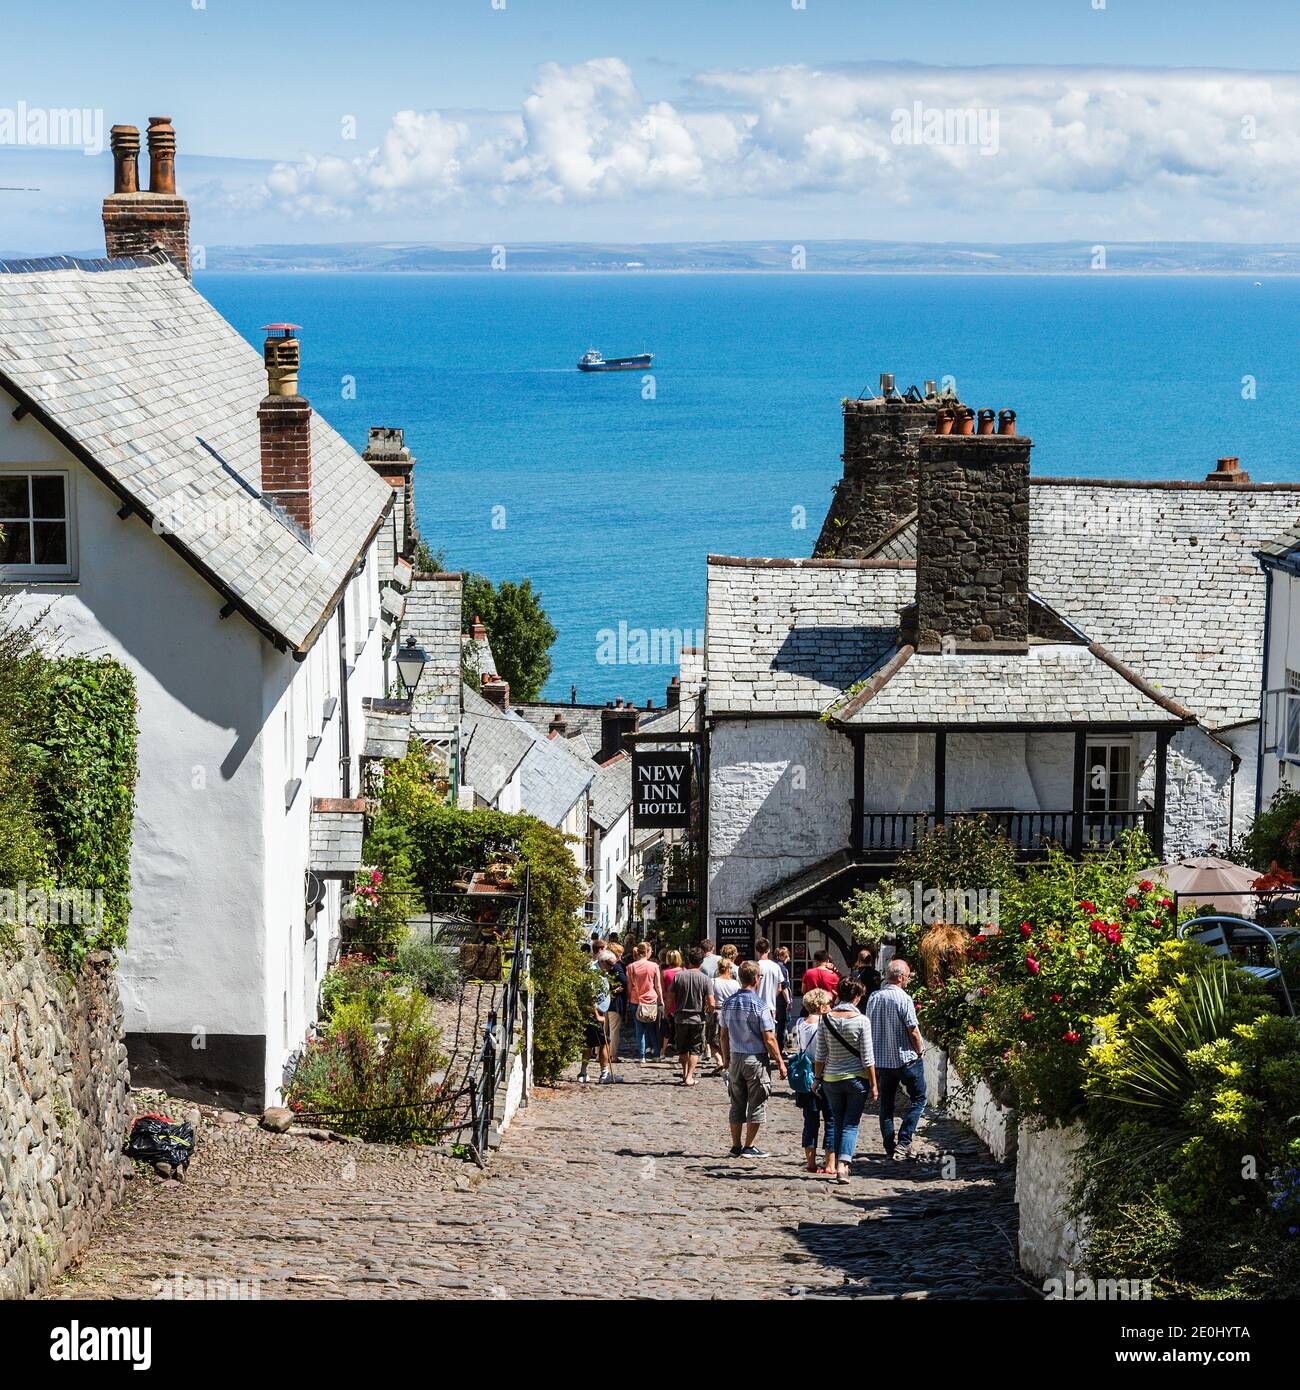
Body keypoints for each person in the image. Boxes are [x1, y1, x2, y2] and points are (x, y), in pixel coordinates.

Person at [719, 959, 787, 1158]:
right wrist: (780, 1063)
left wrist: (726, 1058)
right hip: (755, 1058)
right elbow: (769, 1038)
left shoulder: (729, 1003)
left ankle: (735, 1145)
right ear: (757, 979)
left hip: (735, 1057)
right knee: (757, 1102)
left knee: (737, 1102)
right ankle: (749, 1146)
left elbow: (723, 1034)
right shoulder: (760, 1005)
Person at [813, 977, 877, 1183]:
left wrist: (816, 1078)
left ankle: (836, 1162)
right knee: (851, 1123)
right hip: (856, 1078)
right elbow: (868, 1058)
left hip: (831, 1078)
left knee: (837, 1121)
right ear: (857, 997)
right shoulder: (861, 1021)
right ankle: (843, 1165)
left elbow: (820, 1054)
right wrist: (874, 1084)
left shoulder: (826, 1019)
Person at [866, 958, 926, 1159]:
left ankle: (890, 1146)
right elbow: (913, 1030)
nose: (908, 980)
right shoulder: (903, 998)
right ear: (900, 977)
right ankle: (904, 1140)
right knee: (919, 1098)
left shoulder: (874, 997)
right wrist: (919, 1051)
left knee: (886, 1104)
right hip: (905, 1058)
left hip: (882, 1061)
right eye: (907, 976)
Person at [791, 988, 833, 1172]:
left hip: (805, 1077)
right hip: (825, 1075)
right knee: (831, 1120)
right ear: (823, 1005)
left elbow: (794, 1046)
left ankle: (810, 1163)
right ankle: (831, 1164)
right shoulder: (825, 1024)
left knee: (810, 1121)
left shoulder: (800, 1023)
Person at [670, 946, 712, 1086]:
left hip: (680, 1017)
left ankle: (684, 1072)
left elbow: (670, 997)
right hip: (697, 1018)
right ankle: (690, 1076)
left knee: (683, 1048)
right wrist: (709, 1010)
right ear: (701, 962)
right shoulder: (705, 979)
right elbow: (711, 1001)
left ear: (688, 960)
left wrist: (668, 1012)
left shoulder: (679, 976)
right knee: (695, 1048)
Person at [626, 940, 664, 1063]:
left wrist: (629, 999)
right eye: (651, 951)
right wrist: (661, 1000)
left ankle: (642, 1056)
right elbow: (657, 985)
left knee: (639, 1029)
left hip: (636, 1000)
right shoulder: (654, 966)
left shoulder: (631, 967)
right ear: (647, 952)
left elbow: (629, 986)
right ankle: (656, 1053)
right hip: (651, 1000)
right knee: (651, 1028)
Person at [578, 958, 614, 1084]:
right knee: (604, 1042)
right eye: (610, 964)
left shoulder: (600, 971)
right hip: (595, 1013)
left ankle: (583, 1072)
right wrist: (597, 1014)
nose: (611, 968)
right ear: (603, 961)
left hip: (595, 1011)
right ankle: (604, 1074)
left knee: (588, 1043)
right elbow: (591, 994)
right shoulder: (594, 972)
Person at [754, 938, 790, 1046]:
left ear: (756, 950)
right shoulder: (776, 967)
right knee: (770, 1037)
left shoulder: (755, 966)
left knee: (757, 1037)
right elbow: (780, 988)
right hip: (770, 1007)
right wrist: (772, 996)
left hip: (756, 1006)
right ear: (769, 950)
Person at [707, 957, 740, 1072]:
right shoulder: (735, 983)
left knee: (712, 1039)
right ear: (729, 969)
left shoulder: (713, 981)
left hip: (717, 1011)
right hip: (731, 1013)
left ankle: (720, 1061)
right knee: (728, 1039)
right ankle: (727, 1061)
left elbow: (709, 998)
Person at [604, 943, 627, 1065]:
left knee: (603, 1029)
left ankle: (600, 1055)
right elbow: (625, 981)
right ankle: (613, 1055)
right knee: (614, 1030)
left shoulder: (602, 965)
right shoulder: (617, 967)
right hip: (614, 1001)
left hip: (604, 1001)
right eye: (620, 954)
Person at [660, 948, 683, 1058]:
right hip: (681, 1004)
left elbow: (662, 990)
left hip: (669, 1004)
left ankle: (662, 1052)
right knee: (680, 1029)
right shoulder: (684, 971)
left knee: (667, 1029)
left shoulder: (664, 973)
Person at [773, 945, 794, 1044]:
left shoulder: (771, 966)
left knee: (773, 1026)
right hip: (781, 1001)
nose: (788, 958)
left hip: (772, 1000)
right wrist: (788, 1001)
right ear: (781, 956)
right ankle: (780, 1049)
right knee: (782, 1025)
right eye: (787, 956)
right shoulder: (782, 968)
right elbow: (784, 986)